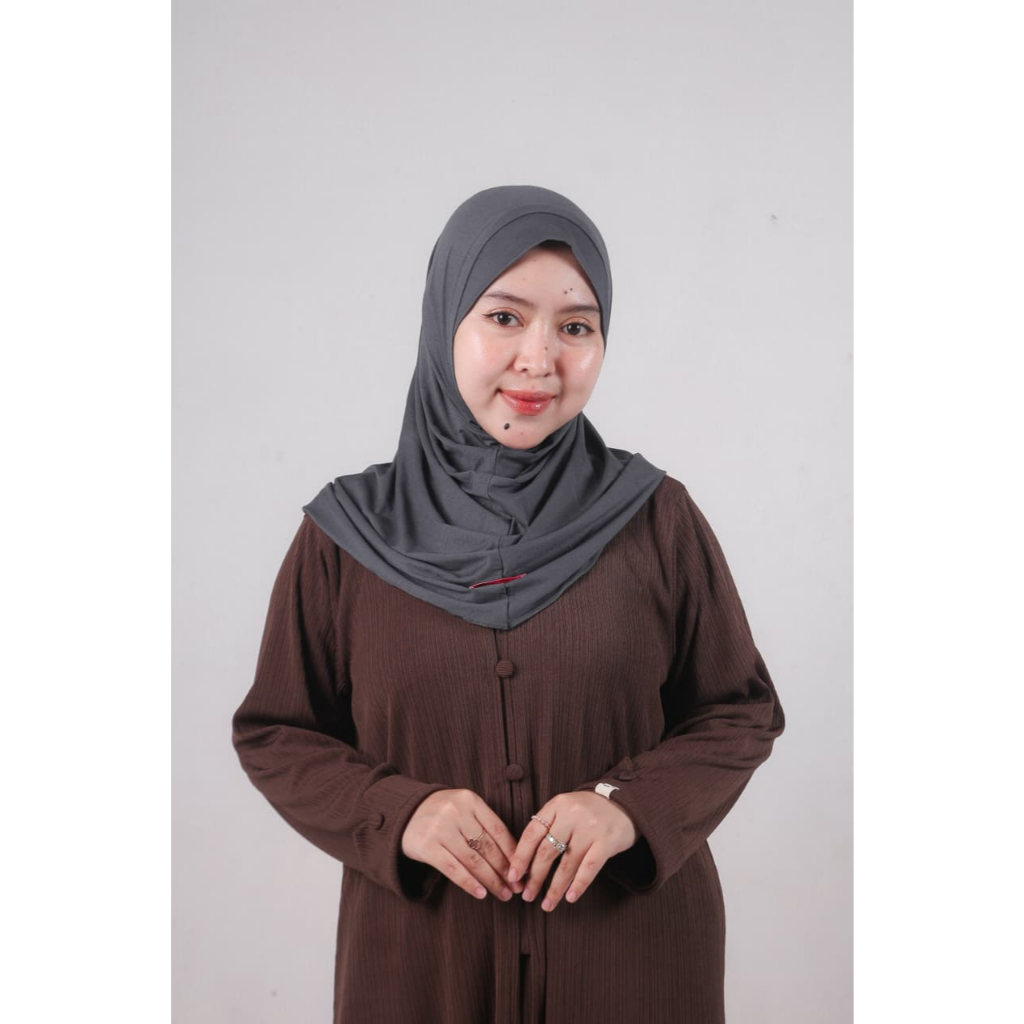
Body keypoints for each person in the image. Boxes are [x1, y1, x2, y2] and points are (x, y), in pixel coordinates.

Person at [231, 184, 785, 1024]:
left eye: (576, 327)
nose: (539, 359)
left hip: (633, 970)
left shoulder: (655, 518)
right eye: (503, 317)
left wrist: (629, 810)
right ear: (444, 322)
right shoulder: (348, 536)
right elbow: (277, 731)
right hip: (421, 972)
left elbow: (739, 711)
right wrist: (400, 813)